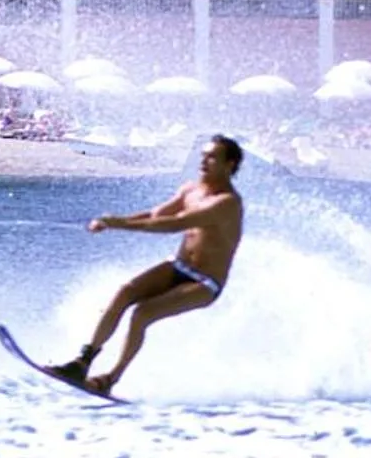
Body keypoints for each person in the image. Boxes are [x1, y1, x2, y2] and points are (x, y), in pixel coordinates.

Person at [42, 136, 245, 396]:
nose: (204, 161)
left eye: (212, 157)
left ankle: (110, 379)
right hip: (179, 267)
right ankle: (82, 362)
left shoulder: (227, 203)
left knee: (142, 314)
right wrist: (112, 220)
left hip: (204, 283)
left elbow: (173, 224)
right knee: (125, 291)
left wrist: (119, 225)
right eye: (203, 155)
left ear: (230, 164)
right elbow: (156, 215)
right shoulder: (191, 190)